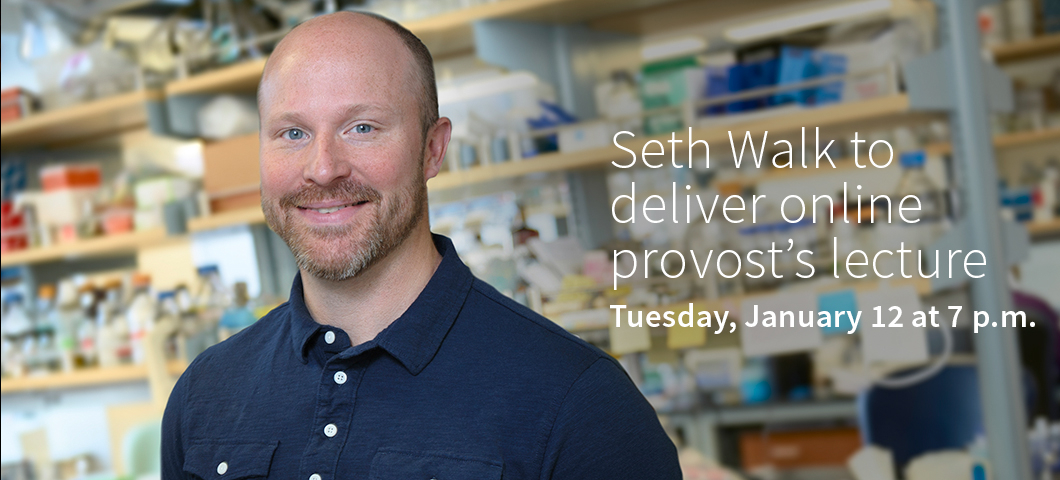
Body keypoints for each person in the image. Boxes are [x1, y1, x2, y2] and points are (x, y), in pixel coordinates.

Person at [161, 11, 681, 479]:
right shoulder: (204, 394)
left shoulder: (581, 403)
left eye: (361, 127)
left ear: (433, 149)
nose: (322, 168)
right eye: (291, 133)